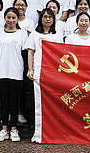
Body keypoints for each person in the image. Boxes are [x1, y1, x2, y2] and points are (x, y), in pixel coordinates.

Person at [26, 8, 64, 142]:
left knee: (53, 103)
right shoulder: (34, 34)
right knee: (37, 102)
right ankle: (37, 132)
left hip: (53, 73)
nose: (47, 19)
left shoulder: (58, 35)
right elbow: (30, 52)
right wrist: (30, 69)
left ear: (54, 19)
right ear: (41, 19)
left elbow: (61, 53)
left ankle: (53, 131)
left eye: (50, 17)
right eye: (45, 17)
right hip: (39, 71)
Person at [0, 7, 28, 142]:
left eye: (14, 18)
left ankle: (14, 129)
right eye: (8, 17)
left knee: (14, 102)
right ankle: (4, 129)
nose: (11, 20)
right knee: (4, 102)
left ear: (18, 19)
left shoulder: (22, 34)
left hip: (16, 71)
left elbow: (25, 53)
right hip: (1, 71)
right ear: (4, 18)